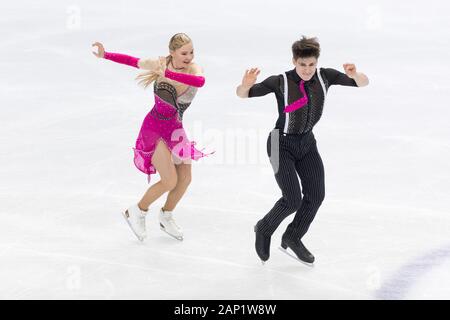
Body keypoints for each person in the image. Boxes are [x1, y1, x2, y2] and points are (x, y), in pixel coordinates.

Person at [236, 36, 369, 265]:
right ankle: (264, 229)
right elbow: (243, 94)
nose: (307, 70)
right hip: (279, 144)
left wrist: (354, 74)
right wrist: (246, 84)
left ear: (316, 62)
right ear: (294, 61)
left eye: (311, 64)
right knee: (292, 199)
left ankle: (293, 237)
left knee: (316, 195)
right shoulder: (281, 81)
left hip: (307, 143)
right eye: (302, 64)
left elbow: (362, 83)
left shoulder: (325, 76)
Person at [92, 33, 212, 242]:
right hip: (154, 129)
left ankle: (166, 215)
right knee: (169, 180)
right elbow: (132, 61)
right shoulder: (159, 63)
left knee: (185, 179)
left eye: (191, 51)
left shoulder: (194, 69)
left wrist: (167, 74)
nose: (189, 56)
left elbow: (199, 81)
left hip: (175, 130)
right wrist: (105, 55)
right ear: (172, 53)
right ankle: (137, 211)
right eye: (184, 53)